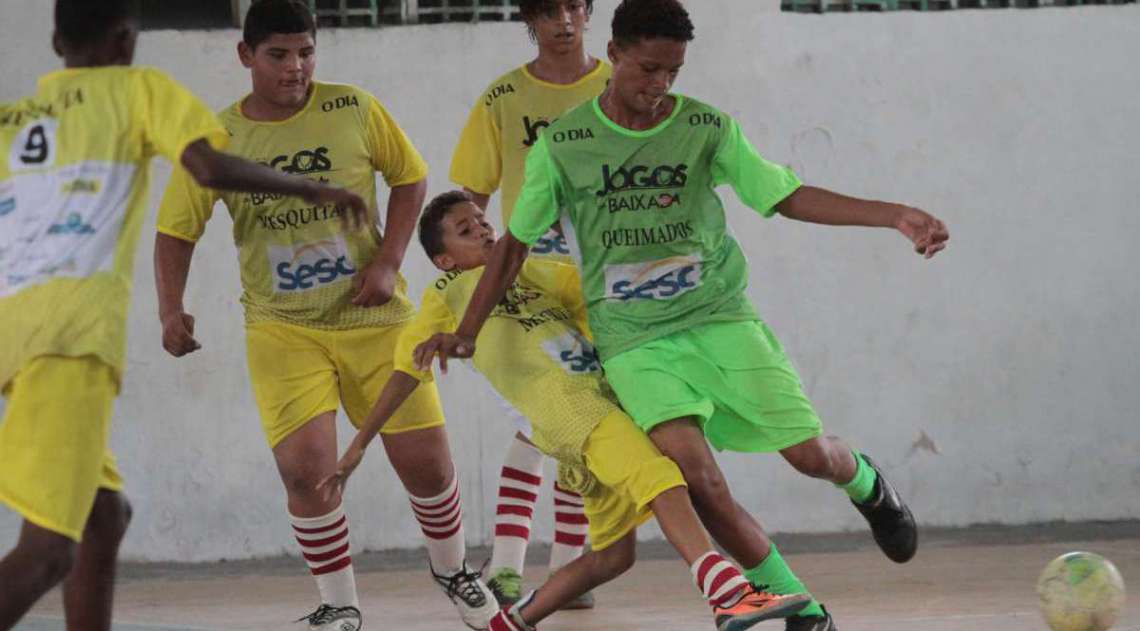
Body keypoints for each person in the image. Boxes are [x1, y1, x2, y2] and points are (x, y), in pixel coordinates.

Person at [417, 1, 951, 629]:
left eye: (673, 71)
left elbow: (782, 195)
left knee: (808, 455)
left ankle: (864, 481)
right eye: (647, 69)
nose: (659, 85)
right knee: (697, 477)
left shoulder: (706, 128)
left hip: (721, 319)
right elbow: (513, 246)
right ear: (613, 56)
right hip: (634, 340)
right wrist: (468, 330)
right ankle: (800, 608)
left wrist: (892, 214)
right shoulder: (564, 147)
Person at [0, 1, 370, 629]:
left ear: (57, 39)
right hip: (72, 339)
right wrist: (312, 187)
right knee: (47, 550)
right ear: (126, 39)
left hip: (16, 330)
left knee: (103, 515)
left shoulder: (14, 117)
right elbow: (208, 166)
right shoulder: (136, 88)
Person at [319, 190, 812, 631]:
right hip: (565, 411)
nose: (485, 231)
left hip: (603, 397)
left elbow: (605, 291)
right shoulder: (446, 295)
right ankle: (726, 594)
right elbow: (405, 372)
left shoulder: (533, 271)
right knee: (661, 475)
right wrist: (358, 445)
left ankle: (513, 620)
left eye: (484, 222)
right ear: (446, 260)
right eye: (467, 231)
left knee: (615, 555)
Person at [152, 2, 494, 629]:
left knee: (428, 462)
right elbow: (176, 232)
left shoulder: (354, 108)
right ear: (245, 55)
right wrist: (170, 309)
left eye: (305, 52)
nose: (296, 67)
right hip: (282, 328)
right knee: (307, 470)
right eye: (278, 54)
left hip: (376, 320)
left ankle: (453, 570)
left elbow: (411, 179)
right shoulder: (217, 139)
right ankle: (340, 604)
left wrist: (388, 262)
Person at [448, 0, 611, 607]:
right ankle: (514, 566)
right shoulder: (502, 98)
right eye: (549, 9)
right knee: (544, 416)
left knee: (587, 419)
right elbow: (473, 195)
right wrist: (473, 278)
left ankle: (568, 570)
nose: (564, 19)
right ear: (530, 19)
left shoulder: (619, 87)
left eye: (575, 5)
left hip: (609, 282)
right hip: (533, 282)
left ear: (590, 11)